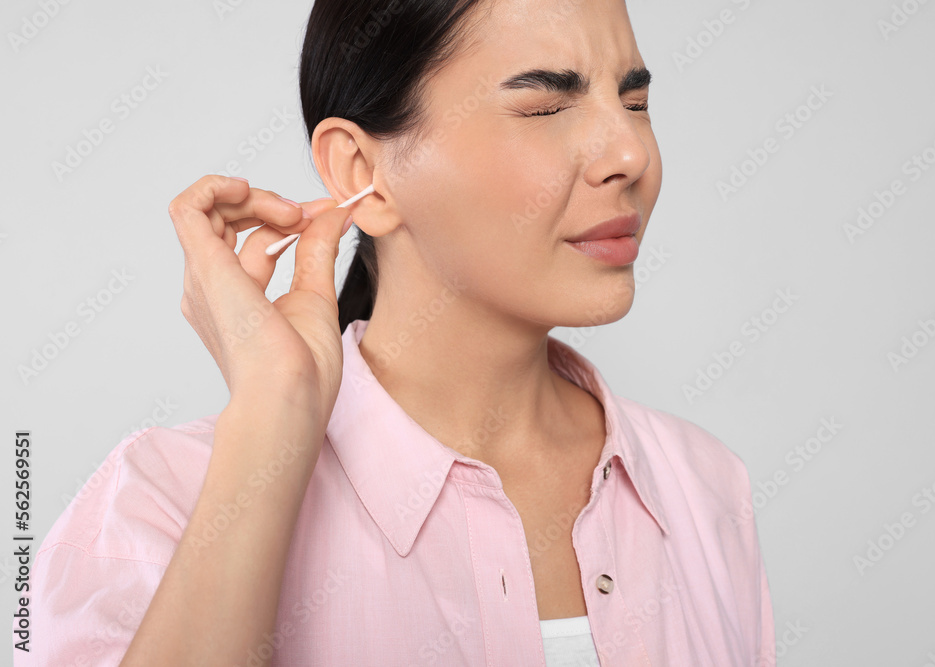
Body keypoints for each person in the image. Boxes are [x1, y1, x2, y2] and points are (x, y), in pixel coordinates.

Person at [17, 0, 775, 665]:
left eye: (635, 102)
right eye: (547, 107)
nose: (631, 155)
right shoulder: (159, 504)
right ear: (358, 171)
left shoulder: (703, 486)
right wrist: (270, 420)